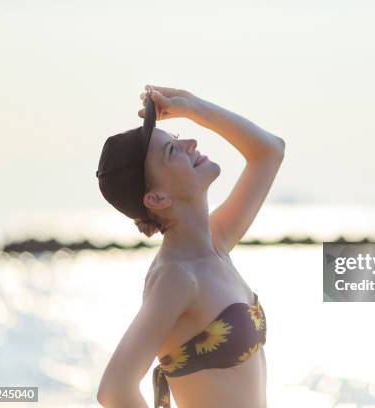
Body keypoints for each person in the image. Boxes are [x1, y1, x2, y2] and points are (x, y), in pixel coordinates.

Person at [94, 84, 285, 408]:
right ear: (157, 198)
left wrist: (193, 107)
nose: (191, 143)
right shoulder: (175, 277)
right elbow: (114, 389)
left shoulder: (217, 242)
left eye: (177, 138)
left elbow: (269, 152)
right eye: (171, 151)